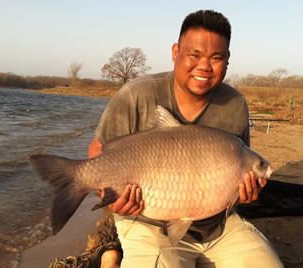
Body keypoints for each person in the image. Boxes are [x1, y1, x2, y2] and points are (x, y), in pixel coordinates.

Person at [88, 10, 283, 268]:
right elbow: (96, 152)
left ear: (227, 60)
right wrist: (112, 197)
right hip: (148, 223)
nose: (204, 66)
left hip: (219, 226)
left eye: (216, 57)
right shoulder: (135, 95)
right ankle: (114, 247)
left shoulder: (235, 104)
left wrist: (243, 195)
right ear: (175, 52)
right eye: (195, 55)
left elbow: (242, 173)